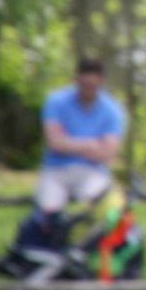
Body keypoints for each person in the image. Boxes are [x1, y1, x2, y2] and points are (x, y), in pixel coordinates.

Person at [36, 57, 126, 214]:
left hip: (93, 172)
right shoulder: (56, 101)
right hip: (56, 170)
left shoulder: (113, 110)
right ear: (76, 80)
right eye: (84, 84)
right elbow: (55, 143)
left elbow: (107, 154)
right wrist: (92, 144)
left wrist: (69, 144)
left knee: (101, 206)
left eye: (93, 85)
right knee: (47, 212)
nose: (88, 88)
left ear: (101, 82)